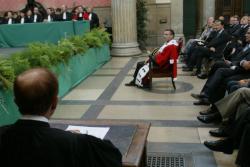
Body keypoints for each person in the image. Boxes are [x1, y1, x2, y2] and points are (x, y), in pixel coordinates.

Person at [0, 68, 122, 167]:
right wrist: (73, 138)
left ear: (16, 102)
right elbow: (112, 158)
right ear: (54, 103)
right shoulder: (76, 144)